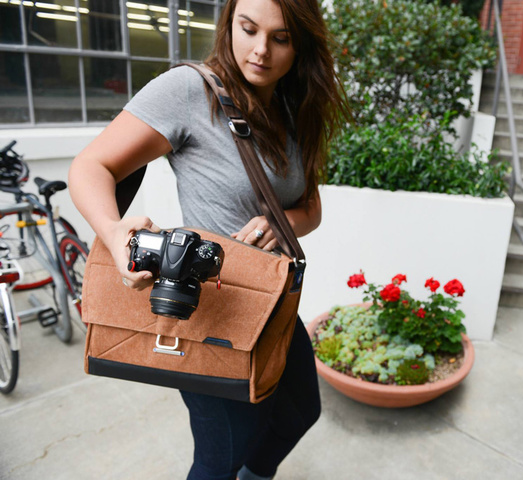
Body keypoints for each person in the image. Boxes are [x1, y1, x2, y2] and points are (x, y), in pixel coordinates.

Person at [68, 0, 349, 477]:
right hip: (210, 315)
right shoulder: (189, 91)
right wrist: (115, 233)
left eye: (280, 39)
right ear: (229, 23)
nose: (260, 50)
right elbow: (92, 165)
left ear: (301, 46)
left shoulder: (292, 105)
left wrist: (278, 221)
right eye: (248, 29)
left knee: (300, 413)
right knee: (222, 455)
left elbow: (311, 209)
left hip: (272, 300)